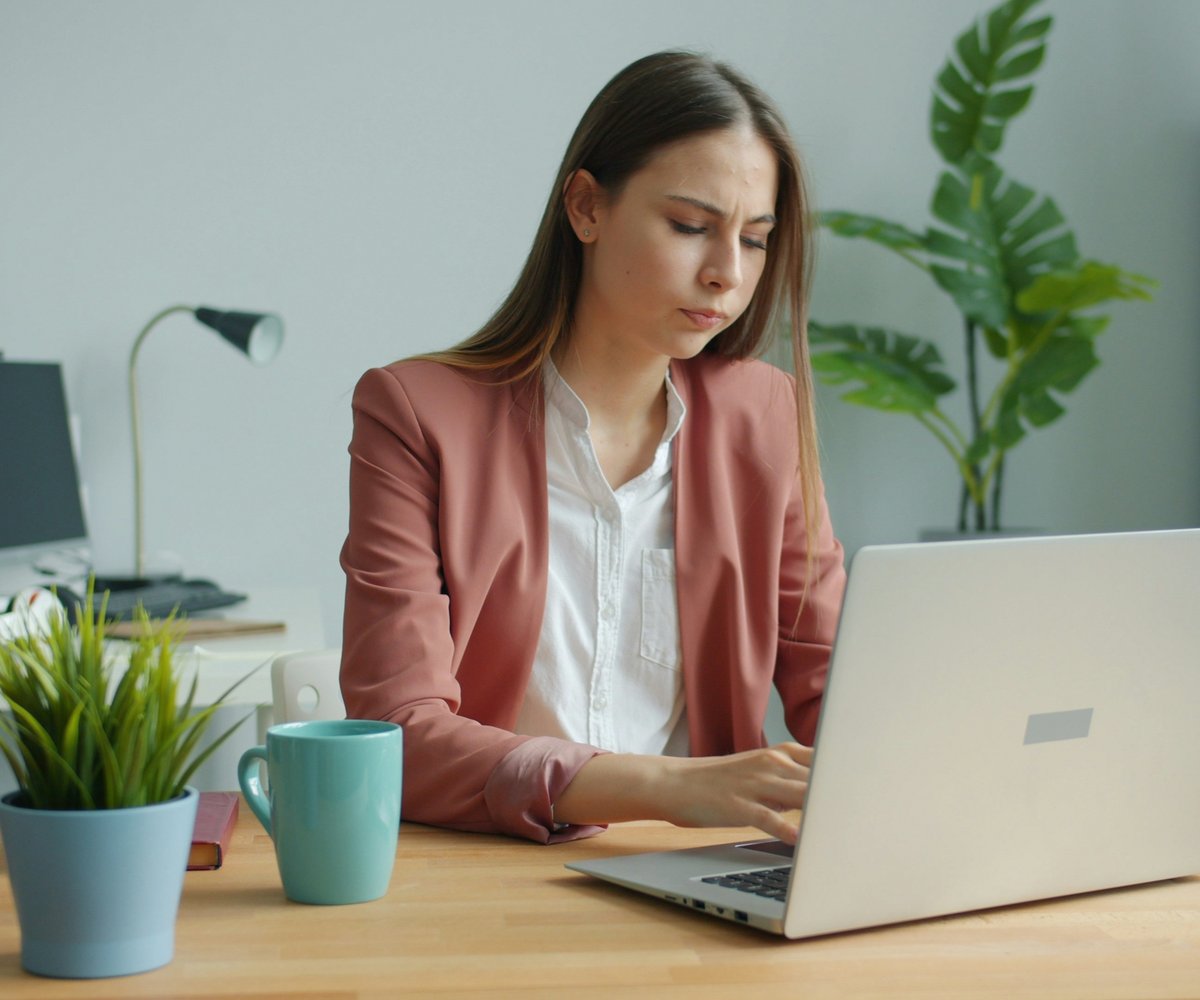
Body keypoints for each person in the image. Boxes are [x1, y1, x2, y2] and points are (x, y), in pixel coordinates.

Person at [340, 50, 846, 846]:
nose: (726, 273)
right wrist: (665, 787)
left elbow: (842, 687)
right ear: (586, 208)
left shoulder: (763, 416)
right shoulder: (417, 415)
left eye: (754, 240)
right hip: (492, 873)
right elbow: (395, 732)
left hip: (700, 882)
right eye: (690, 226)